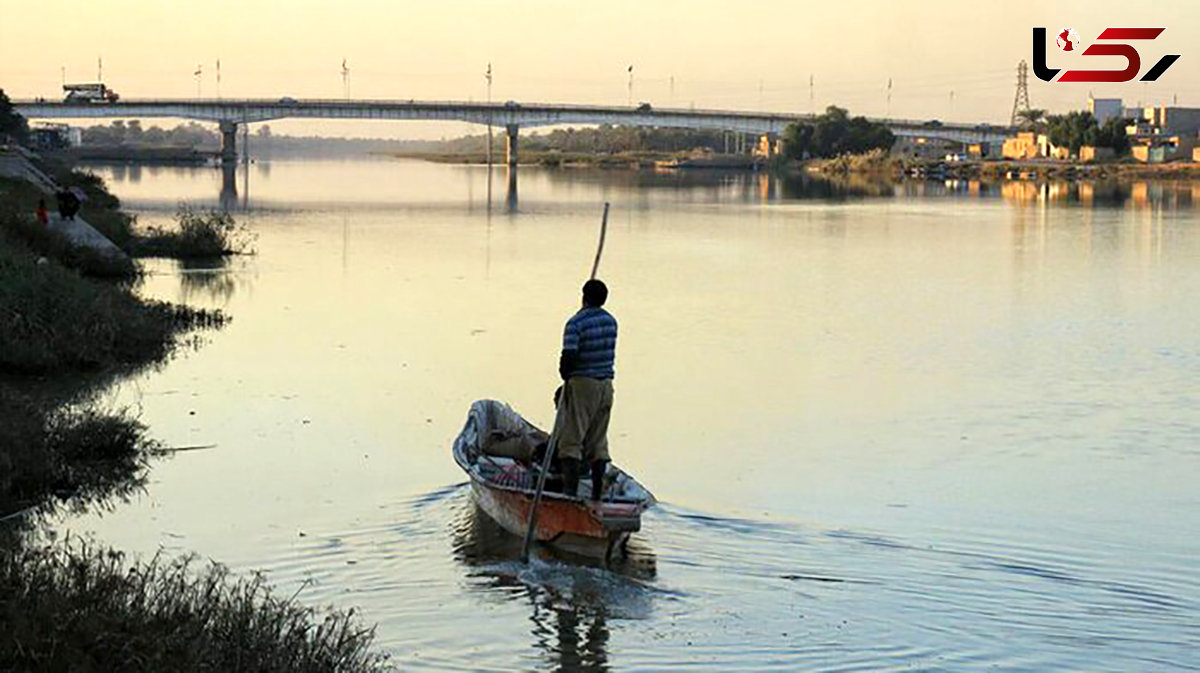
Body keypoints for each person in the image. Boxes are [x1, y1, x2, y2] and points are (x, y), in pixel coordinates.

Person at [552, 278, 618, 501]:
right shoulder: (611, 322)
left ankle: (570, 495)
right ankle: (597, 495)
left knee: (571, 440)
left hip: (584, 384)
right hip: (606, 385)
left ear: (584, 296)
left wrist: (565, 376)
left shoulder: (575, 324)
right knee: (598, 441)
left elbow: (568, 360)